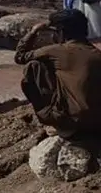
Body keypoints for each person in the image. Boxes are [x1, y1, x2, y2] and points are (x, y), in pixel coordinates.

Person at [14, 9, 101, 138]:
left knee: (34, 66)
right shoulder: (97, 54)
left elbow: (20, 56)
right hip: (97, 124)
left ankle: (50, 117)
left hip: (72, 125)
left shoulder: (56, 51)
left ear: (60, 32)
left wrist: (34, 31)